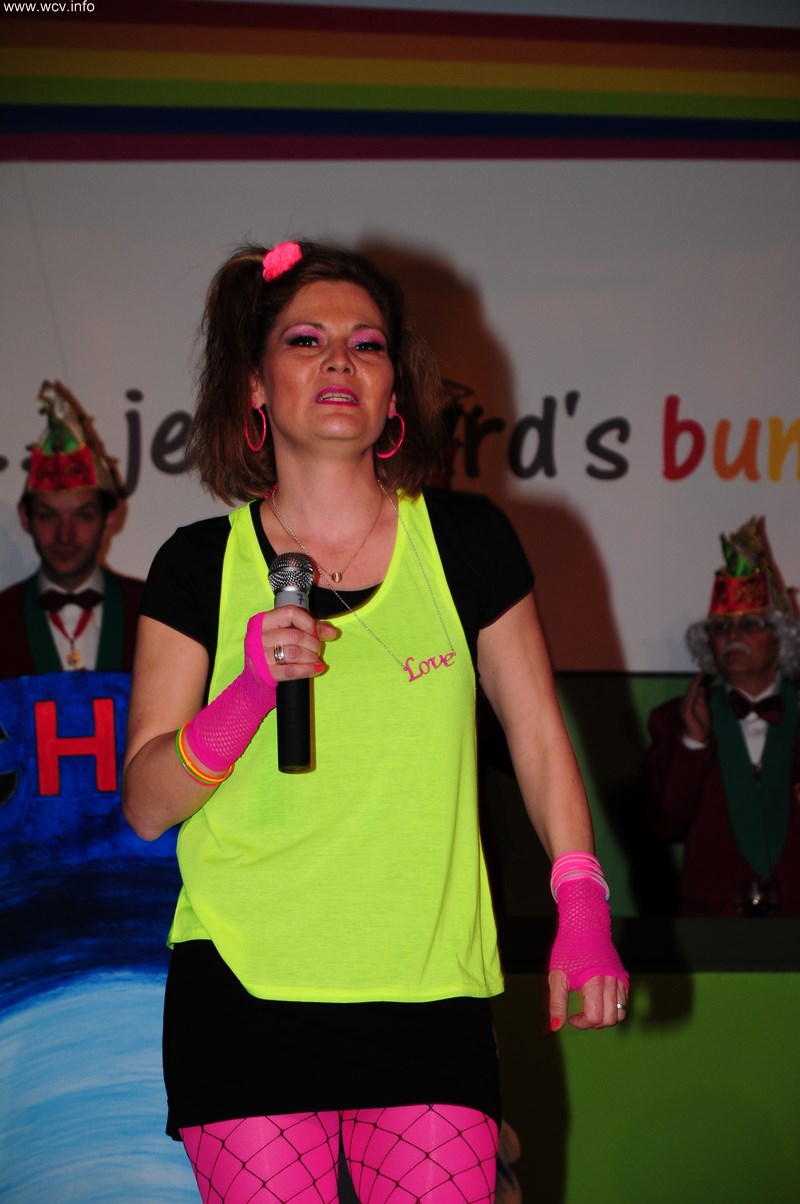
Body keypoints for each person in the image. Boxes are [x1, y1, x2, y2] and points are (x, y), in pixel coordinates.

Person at [122, 239, 628, 1204]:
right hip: (246, 993)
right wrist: (247, 696)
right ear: (256, 386)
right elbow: (146, 804)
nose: (339, 360)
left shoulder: (468, 544)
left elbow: (536, 740)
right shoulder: (197, 564)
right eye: (305, 340)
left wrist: (583, 902)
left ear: (395, 392)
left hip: (430, 991)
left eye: (367, 343)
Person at [645, 517, 800, 917]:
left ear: (781, 637)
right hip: (711, 930)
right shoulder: (672, 720)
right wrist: (692, 742)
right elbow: (667, 826)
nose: (733, 636)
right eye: (720, 628)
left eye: (749, 624)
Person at [0, 380, 143, 679]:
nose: (64, 535)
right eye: (48, 516)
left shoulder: (151, 611)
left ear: (110, 517)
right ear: (25, 517)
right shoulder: (3, 615)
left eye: (83, 516)